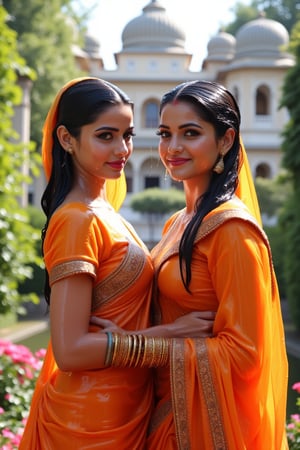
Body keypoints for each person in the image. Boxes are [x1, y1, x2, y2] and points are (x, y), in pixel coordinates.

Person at [19, 77, 214, 449]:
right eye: (105, 136)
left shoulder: (106, 212)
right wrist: (169, 336)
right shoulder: (77, 220)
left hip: (125, 406)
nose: (122, 149)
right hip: (89, 420)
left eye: (127, 135)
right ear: (66, 139)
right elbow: (71, 350)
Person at [145, 80, 289, 450]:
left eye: (190, 133)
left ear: (226, 140)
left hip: (203, 428)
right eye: (165, 133)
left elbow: (246, 353)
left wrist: (134, 347)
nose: (173, 147)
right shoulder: (176, 222)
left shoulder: (232, 230)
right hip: (164, 410)